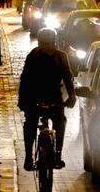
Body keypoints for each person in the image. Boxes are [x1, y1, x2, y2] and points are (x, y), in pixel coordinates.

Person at [18, 28, 76, 171]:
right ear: (39, 44)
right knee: (30, 123)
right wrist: (23, 100)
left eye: (51, 44)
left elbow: (68, 78)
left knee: (60, 121)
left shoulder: (61, 57)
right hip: (34, 96)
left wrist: (72, 96)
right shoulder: (33, 56)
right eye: (45, 44)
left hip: (54, 96)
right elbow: (25, 79)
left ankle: (57, 154)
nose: (49, 47)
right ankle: (28, 157)